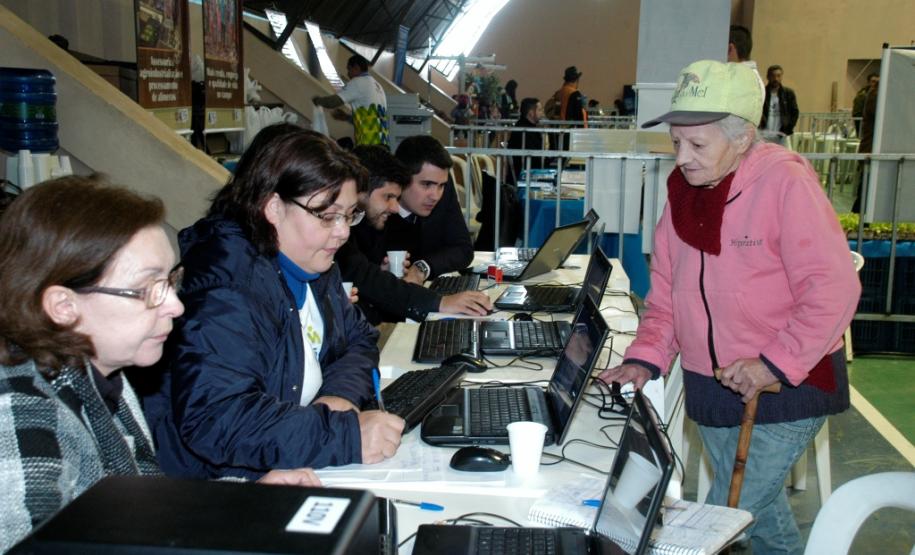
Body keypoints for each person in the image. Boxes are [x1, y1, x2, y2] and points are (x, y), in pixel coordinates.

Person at [600, 60, 860, 554]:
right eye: (676, 142)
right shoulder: (682, 193)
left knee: (717, 518)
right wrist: (645, 356)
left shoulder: (785, 183)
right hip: (711, 386)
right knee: (757, 519)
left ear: (742, 137)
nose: (682, 157)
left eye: (697, 144)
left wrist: (772, 363)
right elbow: (667, 295)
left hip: (785, 385)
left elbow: (833, 289)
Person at [0, 177, 321, 551]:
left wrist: (245, 500)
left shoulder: (100, 377)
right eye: (149, 289)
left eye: (171, 280)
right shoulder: (19, 411)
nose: (176, 305)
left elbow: (134, 513)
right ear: (63, 307)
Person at [144, 126, 404, 480]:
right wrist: (343, 434)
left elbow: (358, 339)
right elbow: (218, 417)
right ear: (273, 208)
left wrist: (338, 397)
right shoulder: (227, 288)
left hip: (287, 465)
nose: (343, 232)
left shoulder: (313, 260)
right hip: (214, 492)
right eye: (328, 216)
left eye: (349, 215)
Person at [338, 144, 491, 324]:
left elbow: (365, 275)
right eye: (388, 197)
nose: (435, 195)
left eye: (441, 186)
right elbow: (366, 278)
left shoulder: (362, 219)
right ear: (361, 190)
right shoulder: (346, 228)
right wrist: (441, 302)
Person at [356, 135, 474, 285]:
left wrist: (422, 268)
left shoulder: (440, 189)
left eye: (441, 185)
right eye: (426, 184)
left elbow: (463, 249)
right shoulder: (370, 207)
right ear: (402, 179)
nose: (435, 195)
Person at [313, 54, 388, 146]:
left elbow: (333, 102)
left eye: (349, 69)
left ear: (356, 67)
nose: (348, 74)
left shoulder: (358, 82)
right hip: (382, 143)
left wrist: (318, 100)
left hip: (368, 143)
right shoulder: (377, 85)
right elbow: (369, 119)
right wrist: (346, 117)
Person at [507, 97, 548, 184]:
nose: (542, 113)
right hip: (525, 177)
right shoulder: (524, 131)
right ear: (531, 113)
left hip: (527, 173)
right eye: (540, 110)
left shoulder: (526, 127)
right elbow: (534, 158)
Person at [759, 65, 800, 142]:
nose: (776, 79)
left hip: (781, 136)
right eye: (773, 76)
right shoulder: (762, 93)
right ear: (768, 77)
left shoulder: (788, 93)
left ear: (782, 77)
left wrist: (788, 129)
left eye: (778, 76)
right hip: (763, 135)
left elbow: (795, 113)